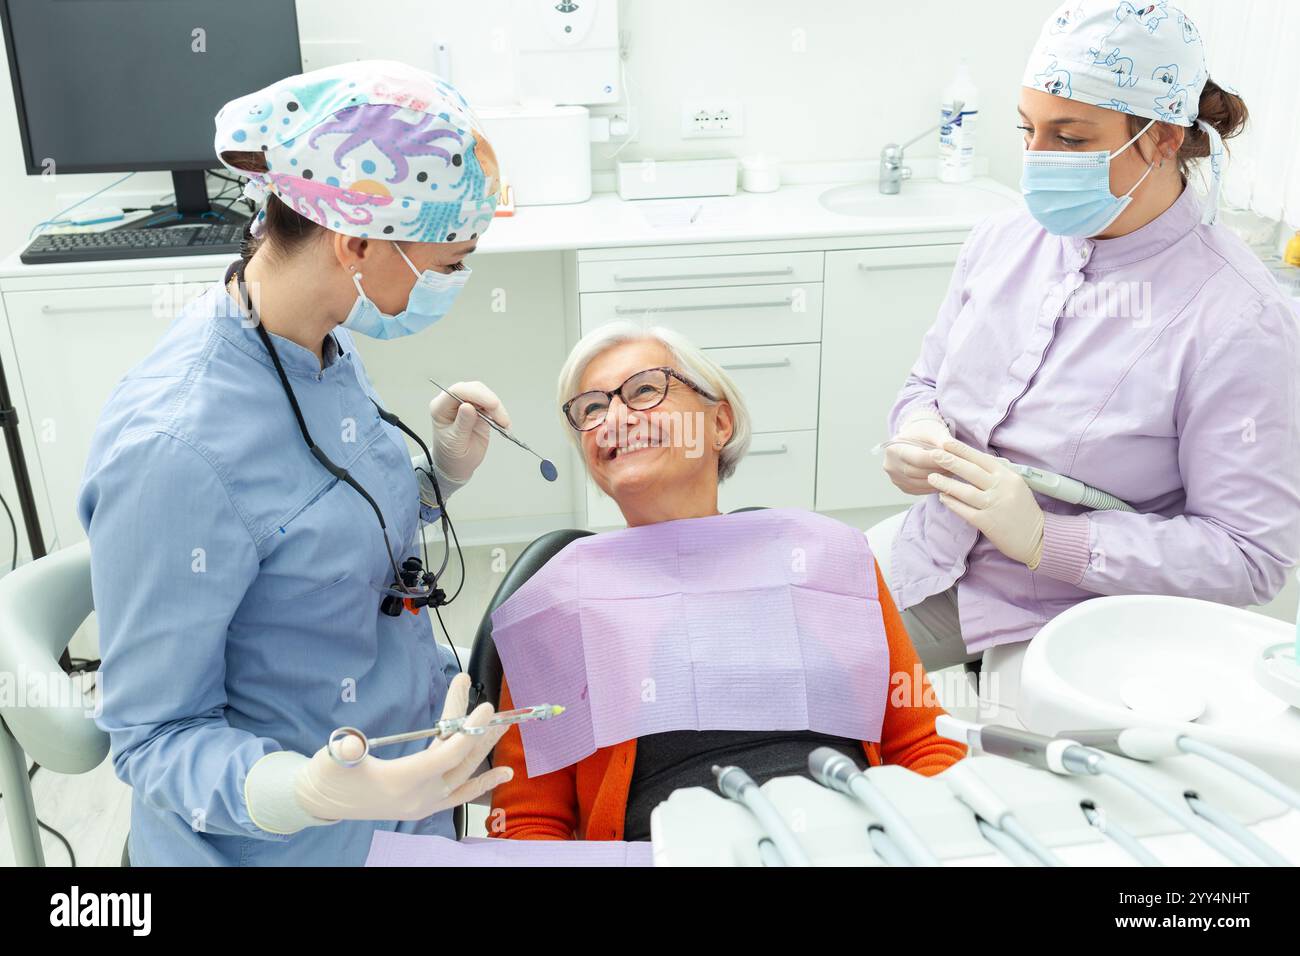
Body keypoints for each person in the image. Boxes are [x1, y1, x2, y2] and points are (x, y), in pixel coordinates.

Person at [78, 61, 515, 865]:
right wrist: (308, 793)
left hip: (403, 787)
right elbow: (153, 739)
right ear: (353, 242)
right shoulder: (174, 449)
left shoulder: (315, 339)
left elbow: (304, 533)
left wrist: (437, 479)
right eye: (449, 261)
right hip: (284, 843)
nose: (456, 278)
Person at [875, 0, 1300, 681]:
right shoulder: (1002, 241)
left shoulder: (1239, 321)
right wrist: (918, 432)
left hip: (1072, 619)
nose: (1037, 162)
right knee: (770, 662)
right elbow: (925, 384)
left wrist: (1052, 541)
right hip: (933, 552)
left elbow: (1251, 558)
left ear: (1163, 139)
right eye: (1028, 132)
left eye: (1070, 140)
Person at [487, 323, 965, 842]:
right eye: (591, 409)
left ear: (719, 423)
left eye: (645, 389)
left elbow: (924, 746)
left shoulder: (828, 561)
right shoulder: (558, 604)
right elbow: (529, 823)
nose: (615, 418)